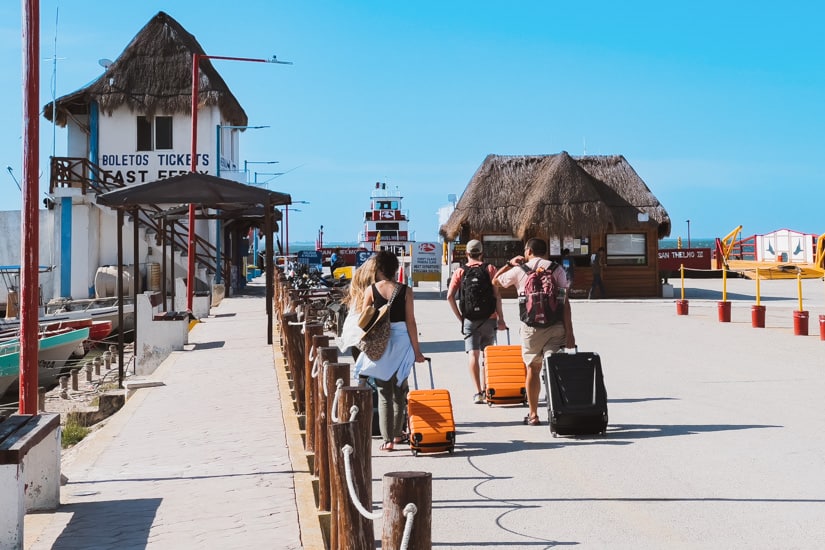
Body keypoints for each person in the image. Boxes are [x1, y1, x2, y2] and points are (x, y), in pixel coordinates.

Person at [492, 238, 575, 426]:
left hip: (531, 329)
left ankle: (533, 414)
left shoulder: (520, 270)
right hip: (555, 326)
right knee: (554, 367)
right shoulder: (557, 269)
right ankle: (560, 410)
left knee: (532, 369)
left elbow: (495, 281)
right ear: (545, 252)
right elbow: (565, 302)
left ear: (528, 251)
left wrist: (508, 263)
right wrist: (570, 332)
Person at [354, 250, 426, 451]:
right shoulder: (406, 290)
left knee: (384, 391)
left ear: (378, 270)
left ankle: (387, 441)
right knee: (400, 390)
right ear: (395, 269)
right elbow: (411, 321)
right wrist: (417, 351)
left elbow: (363, 320)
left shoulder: (371, 290)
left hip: (380, 342)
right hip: (402, 340)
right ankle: (397, 434)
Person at [446, 239, 506, 404]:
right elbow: (497, 295)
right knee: (487, 355)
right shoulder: (490, 268)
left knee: (473, 354)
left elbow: (449, 296)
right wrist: (501, 319)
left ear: (467, 254)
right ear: (481, 253)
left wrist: (461, 318)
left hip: (470, 320)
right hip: (490, 318)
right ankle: (488, 389)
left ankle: (478, 392)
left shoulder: (460, 271)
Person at [338, 256, 377, 361]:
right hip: (366, 337)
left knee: (362, 371)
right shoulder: (375, 290)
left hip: (353, 334)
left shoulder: (358, 288)